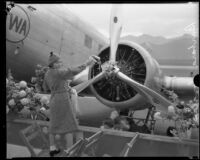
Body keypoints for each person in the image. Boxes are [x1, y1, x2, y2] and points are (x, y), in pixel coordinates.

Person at [42, 52, 98, 157]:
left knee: (53, 124)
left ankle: (52, 148)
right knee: (69, 124)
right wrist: (87, 63)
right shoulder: (58, 72)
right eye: (58, 62)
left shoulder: (48, 73)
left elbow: (45, 87)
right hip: (62, 99)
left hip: (53, 99)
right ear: (53, 64)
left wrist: (63, 86)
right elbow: (73, 70)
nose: (61, 63)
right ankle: (70, 150)